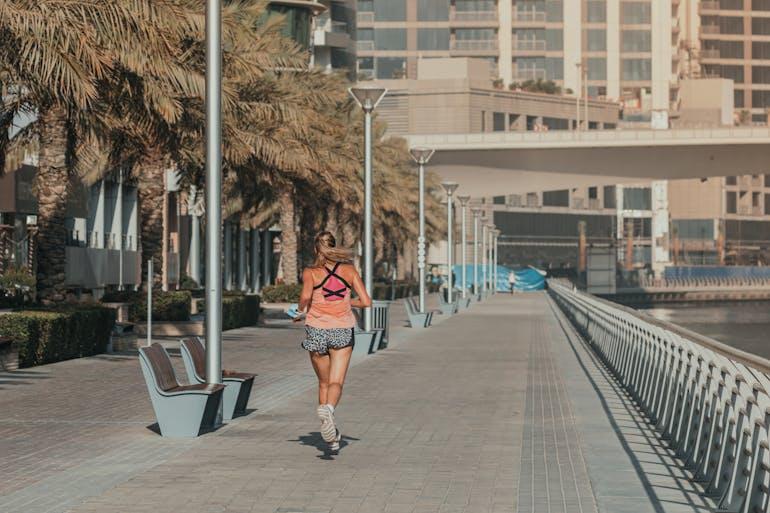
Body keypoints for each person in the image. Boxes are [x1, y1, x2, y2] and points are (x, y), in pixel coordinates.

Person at [296, 231, 371, 452]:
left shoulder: (311, 273)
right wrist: (347, 302)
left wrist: (300, 309)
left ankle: (331, 437)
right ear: (333, 246)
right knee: (336, 382)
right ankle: (329, 409)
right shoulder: (349, 270)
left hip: (317, 329)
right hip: (342, 330)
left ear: (315, 248)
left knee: (323, 382)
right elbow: (366, 302)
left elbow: (305, 299)